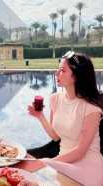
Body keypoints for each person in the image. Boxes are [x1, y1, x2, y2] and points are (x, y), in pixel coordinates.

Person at [28, 51, 103, 186]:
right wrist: (40, 116)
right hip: (64, 163)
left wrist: (50, 162)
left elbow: (80, 152)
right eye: (58, 69)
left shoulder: (91, 109)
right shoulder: (55, 99)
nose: (57, 74)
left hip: (87, 167)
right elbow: (56, 137)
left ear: (77, 76)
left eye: (62, 71)